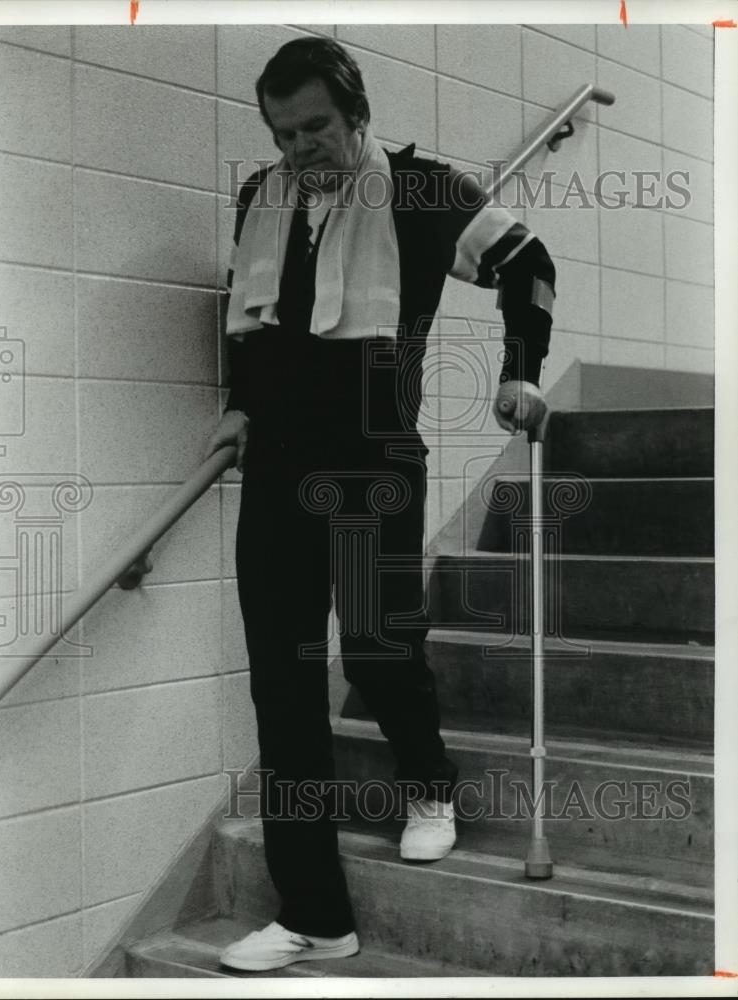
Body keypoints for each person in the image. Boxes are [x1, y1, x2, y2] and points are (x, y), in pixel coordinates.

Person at [204, 37, 555, 972]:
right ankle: (315, 915)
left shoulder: (424, 191)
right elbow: (247, 320)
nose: (299, 147)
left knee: (377, 645)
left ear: (355, 112)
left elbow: (530, 266)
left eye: (315, 125)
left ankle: (430, 786)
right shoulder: (260, 200)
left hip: (373, 461)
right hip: (276, 471)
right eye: (282, 131)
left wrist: (519, 374)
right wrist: (237, 408)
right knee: (279, 686)